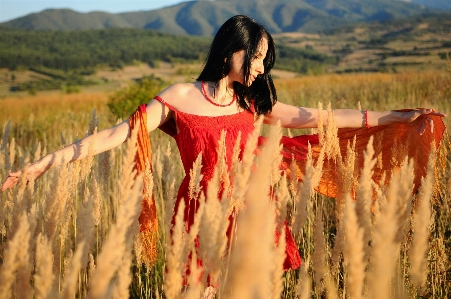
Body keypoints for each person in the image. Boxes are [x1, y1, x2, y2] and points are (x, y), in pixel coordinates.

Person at [1, 14, 446, 279]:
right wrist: (42, 165)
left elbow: (319, 118)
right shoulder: (177, 97)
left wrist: (397, 116)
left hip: (254, 212)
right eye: (255, 57)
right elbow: (115, 135)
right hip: (197, 216)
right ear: (232, 48)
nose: (259, 67)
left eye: (263, 61)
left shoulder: (252, 102)